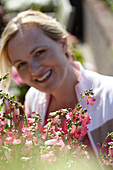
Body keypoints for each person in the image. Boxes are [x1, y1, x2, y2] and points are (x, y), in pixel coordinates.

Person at [1, 10, 113, 157]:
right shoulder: (33, 98)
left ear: (63, 44)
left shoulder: (109, 97)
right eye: (21, 64)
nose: (34, 70)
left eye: (40, 52)